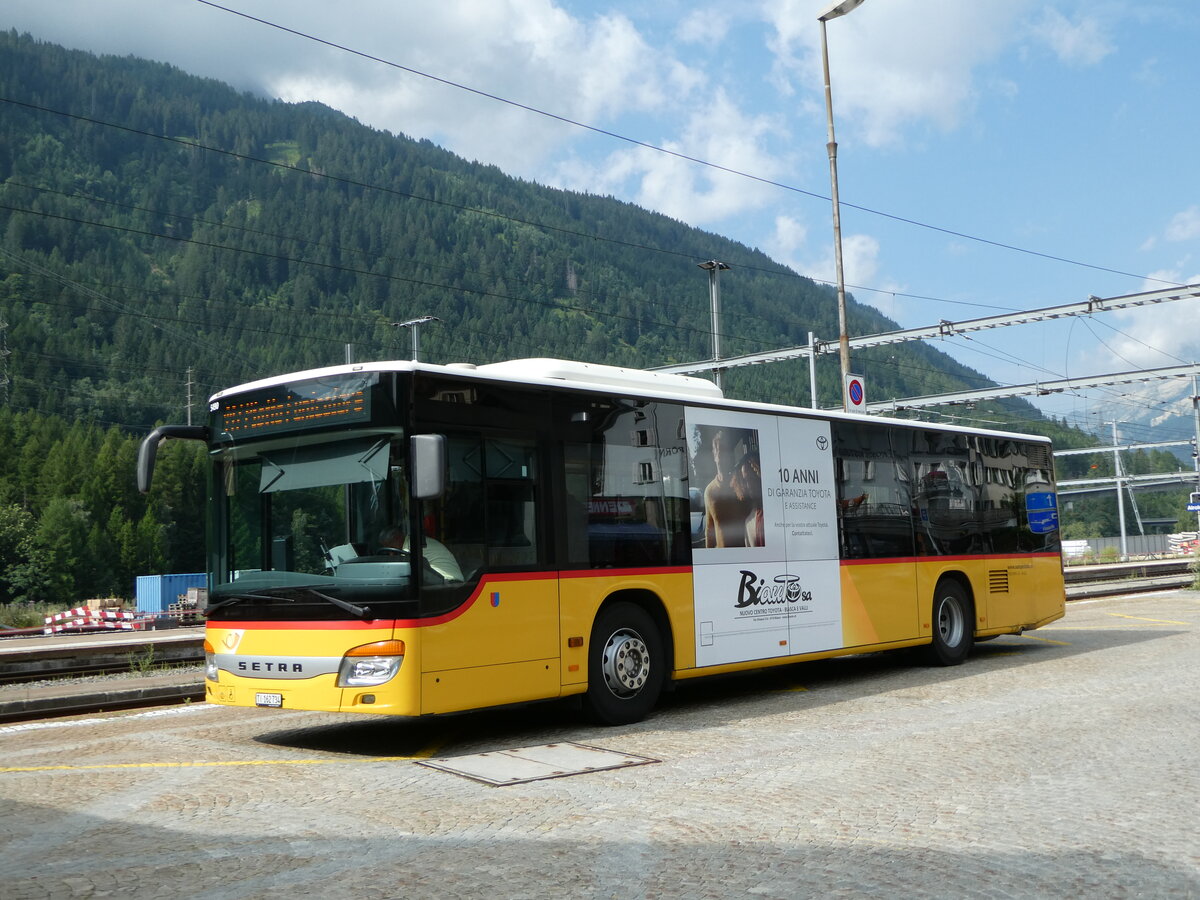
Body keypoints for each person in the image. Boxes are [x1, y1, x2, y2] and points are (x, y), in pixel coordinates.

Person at [378, 524, 464, 582]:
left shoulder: (411, 547)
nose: (390, 553)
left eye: (390, 547)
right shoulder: (412, 542)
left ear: (397, 538)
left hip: (448, 583)